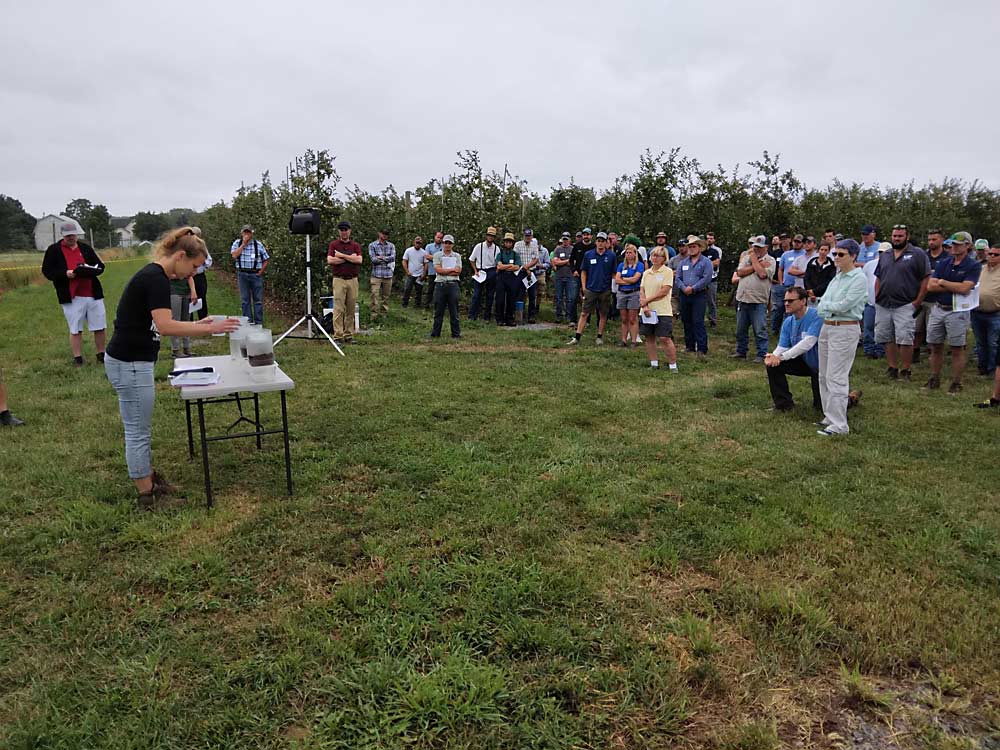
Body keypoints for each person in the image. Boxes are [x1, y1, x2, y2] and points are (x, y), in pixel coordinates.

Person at [105, 227, 239, 509]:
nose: (192, 274)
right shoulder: (155, 279)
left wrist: (199, 324)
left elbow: (160, 322)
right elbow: (165, 327)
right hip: (129, 364)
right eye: (193, 266)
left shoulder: (155, 276)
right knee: (137, 431)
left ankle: (150, 478)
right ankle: (146, 496)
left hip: (132, 361)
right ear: (180, 255)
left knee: (140, 427)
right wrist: (208, 329)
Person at [815, 239, 867, 436]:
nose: (836, 257)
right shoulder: (837, 277)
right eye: (835, 254)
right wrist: (828, 307)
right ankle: (830, 415)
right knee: (824, 375)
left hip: (845, 328)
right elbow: (822, 304)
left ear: (853, 256)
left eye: (840, 254)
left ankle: (839, 425)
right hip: (828, 327)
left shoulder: (858, 278)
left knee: (836, 376)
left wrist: (828, 306)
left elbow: (845, 305)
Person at [41, 219, 107, 366]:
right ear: (63, 236)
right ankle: (78, 358)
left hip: (92, 292)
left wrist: (91, 270)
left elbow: (100, 266)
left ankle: (101, 354)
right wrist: (65, 274)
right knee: (75, 328)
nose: (71, 238)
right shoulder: (54, 250)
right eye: (68, 236)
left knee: (100, 325)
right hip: (71, 295)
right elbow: (47, 271)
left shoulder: (85, 248)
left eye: (73, 235)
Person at [924, 232, 982, 394]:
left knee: (957, 348)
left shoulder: (973, 265)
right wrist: (952, 285)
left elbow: (965, 289)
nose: (954, 247)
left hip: (957, 311)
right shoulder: (944, 263)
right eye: (952, 244)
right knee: (935, 346)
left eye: (958, 244)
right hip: (939, 307)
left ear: (967, 246)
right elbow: (930, 286)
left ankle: (956, 382)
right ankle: (934, 378)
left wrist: (942, 282)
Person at [873, 224, 931, 381]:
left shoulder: (917, 254)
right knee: (887, 337)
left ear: (907, 236)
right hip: (884, 303)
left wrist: (918, 301)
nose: (896, 238)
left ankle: (905, 370)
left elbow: (926, 277)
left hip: (905, 303)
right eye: (894, 236)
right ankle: (892, 367)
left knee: (905, 338)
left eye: (900, 236)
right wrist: (876, 294)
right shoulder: (885, 254)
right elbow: (878, 276)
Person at [765, 287, 823, 412]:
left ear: (803, 301)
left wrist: (781, 357)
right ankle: (783, 405)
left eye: (791, 301)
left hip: (821, 365)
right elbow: (782, 346)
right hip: (804, 362)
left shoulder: (817, 315)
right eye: (785, 300)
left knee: (821, 408)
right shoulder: (788, 321)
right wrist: (773, 357)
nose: (786, 303)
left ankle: (848, 399)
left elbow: (808, 343)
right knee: (773, 366)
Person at [731, 235, 775, 362]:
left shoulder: (770, 260)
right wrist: (757, 265)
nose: (756, 249)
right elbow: (740, 272)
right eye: (755, 247)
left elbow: (762, 274)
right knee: (741, 329)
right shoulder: (746, 257)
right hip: (743, 298)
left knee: (760, 329)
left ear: (766, 247)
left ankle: (762, 353)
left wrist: (755, 261)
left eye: (760, 247)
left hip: (758, 301)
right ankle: (741, 351)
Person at [567, 232, 616, 345]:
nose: (600, 243)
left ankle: (599, 336)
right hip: (591, 288)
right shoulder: (589, 254)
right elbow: (583, 271)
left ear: (606, 243)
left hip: (605, 289)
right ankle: (577, 337)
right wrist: (584, 287)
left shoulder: (611, 256)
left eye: (602, 241)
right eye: (598, 241)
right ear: (596, 242)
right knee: (584, 313)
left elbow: (614, 273)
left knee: (603, 314)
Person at [639, 245, 677, 371]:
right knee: (649, 337)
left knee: (664, 338)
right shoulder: (646, 273)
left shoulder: (667, 272)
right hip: (646, 310)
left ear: (664, 258)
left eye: (657, 255)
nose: (654, 258)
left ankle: (672, 365)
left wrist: (646, 301)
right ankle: (653, 363)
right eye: (653, 255)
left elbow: (664, 291)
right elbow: (642, 290)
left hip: (662, 310)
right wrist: (644, 306)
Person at [914, 228, 950, 361]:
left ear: (941, 240)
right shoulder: (923, 255)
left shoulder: (948, 257)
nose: (931, 242)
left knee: (933, 330)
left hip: (937, 299)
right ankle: (915, 352)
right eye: (929, 240)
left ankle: (932, 354)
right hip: (921, 296)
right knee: (916, 328)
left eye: (934, 239)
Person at [675, 235, 714, 356]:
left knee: (698, 321)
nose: (691, 249)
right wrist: (683, 288)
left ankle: (702, 348)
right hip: (684, 294)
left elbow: (706, 278)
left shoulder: (706, 262)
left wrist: (693, 288)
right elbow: (678, 278)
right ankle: (689, 346)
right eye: (690, 246)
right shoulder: (683, 262)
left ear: (700, 247)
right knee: (686, 320)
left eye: (694, 246)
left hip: (699, 294)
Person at [327, 220, 363, 344]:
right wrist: (350, 258)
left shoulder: (355, 245)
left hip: (353, 280)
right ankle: (338, 336)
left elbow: (359, 260)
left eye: (346, 229)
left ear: (350, 231)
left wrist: (341, 256)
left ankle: (348, 335)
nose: (344, 232)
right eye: (342, 230)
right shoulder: (334, 244)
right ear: (339, 231)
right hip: (339, 279)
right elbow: (331, 260)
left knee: (351, 308)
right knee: (338, 308)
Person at [970, 241, 1000, 376]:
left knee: (993, 342)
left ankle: (992, 369)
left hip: (995, 313)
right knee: (980, 342)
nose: (992, 256)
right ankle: (982, 367)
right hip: (977, 312)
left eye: (996, 254)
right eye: (990, 253)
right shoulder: (980, 269)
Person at [229, 224, 268, 324]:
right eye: (245, 232)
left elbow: (266, 259)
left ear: (252, 234)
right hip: (242, 274)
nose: (246, 234)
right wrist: (243, 244)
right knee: (245, 300)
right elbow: (234, 255)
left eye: (248, 232)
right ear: (242, 233)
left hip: (255, 274)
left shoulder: (258, 244)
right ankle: (248, 322)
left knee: (258, 300)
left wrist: (261, 271)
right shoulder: (237, 243)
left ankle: (259, 322)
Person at [429, 234, 462, 339]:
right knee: (438, 311)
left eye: (449, 243)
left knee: (454, 311)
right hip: (440, 285)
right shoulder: (437, 255)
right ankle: (435, 333)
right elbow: (438, 270)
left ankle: (456, 334)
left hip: (453, 285)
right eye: (445, 242)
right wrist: (451, 270)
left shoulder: (457, 256)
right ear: (442, 243)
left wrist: (445, 271)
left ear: (452, 244)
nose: (447, 245)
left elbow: (458, 271)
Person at [773, 234, 805, 333]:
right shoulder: (786, 254)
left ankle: (789, 329)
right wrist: (781, 281)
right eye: (795, 241)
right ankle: (775, 329)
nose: (796, 243)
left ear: (802, 243)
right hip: (785, 285)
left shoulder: (804, 254)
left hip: (798, 286)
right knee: (779, 308)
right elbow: (780, 269)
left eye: (799, 242)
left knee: (792, 310)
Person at [615, 244, 645, 346]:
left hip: (633, 293)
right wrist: (628, 281)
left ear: (635, 254)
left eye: (630, 252)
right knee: (624, 319)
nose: (628, 255)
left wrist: (625, 280)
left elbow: (635, 279)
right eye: (626, 253)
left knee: (632, 318)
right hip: (622, 293)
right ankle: (623, 340)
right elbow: (617, 279)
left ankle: (633, 340)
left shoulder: (640, 265)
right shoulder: (621, 265)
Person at [468, 226, 500, 321]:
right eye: (489, 235)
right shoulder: (479, 246)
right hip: (480, 271)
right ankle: (472, 316)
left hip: (491, 271)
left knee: (490, 296)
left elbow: (498, 262)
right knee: (476, 295)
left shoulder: (496, 248)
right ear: (486, 236)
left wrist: (496, 272)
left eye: (492, 236)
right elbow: (471, 259)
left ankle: (487, 317)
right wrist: (475, 270)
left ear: (494, 237)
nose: (490, 237)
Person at [168, 263, 197, 358]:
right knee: (175, 321)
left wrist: (193, 291)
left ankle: (186, 347)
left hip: (186, 292)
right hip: (174, 292)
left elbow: (190, 277)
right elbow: (168, 275)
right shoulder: (170, 262)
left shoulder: (186, 262)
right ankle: (175, 350)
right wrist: (181, 275)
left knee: (186, 321)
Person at [367, 229, 395, 324]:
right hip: (376, 274)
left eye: (386, 234)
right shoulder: (372, 245)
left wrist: (381, 257)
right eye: (383, 233)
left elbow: (393, 258)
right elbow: (373, 259)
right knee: (374, 294)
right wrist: (385, 258)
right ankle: (373, 316)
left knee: (386, 296)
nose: (385, 236)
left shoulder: (391, 246)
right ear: (379, 233)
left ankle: (384, 315)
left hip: (388, 274)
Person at [514, 229, 540, 323]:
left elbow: (536, 259)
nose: (527, 237)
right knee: (519, 294)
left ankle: (531, 316)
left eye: (529, 236)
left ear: (532, 236)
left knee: (532, 295)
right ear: (523, 236)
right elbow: (516, 258)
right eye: (526, 236)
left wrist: (528, 268)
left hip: (531, 272)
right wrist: (525, 268)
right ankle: (519, 315)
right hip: (520, 272)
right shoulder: (517, 244)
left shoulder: (534, 245)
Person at [495, 232, 520, 327]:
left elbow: (517, 267)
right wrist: (510, 265)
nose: (508, 243)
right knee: (500, 299)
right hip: (501, 278)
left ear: (512, 243)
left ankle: (510, 319)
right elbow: (499, 266)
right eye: (507, 242)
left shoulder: (515, 254)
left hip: (512, 278)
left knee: (511, 299)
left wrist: (505, 266)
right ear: (504, 243)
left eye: (510, 242)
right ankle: (499, 319)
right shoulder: (500, 253)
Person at [551, 232, 576, 323]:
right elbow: (555, 262)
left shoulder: (573, 249)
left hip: (570, 277)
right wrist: (567, 261)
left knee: (570, 298)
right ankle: (559, 316)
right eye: (564, 239)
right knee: (558, 297)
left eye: (567, 239)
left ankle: (568, 316)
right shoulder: (557, 249)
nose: (565, 241)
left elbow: (574, 262)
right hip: (559, 276)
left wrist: (562, 262)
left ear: (569, 240)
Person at [189, 227, 211, 320]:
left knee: (201, 298)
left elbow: (209, 261)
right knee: (189, 298)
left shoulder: (203, 247)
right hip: (189, 277)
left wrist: (201, 262)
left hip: (200, 277)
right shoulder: (187, 247)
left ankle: (203, 319)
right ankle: (189, 320)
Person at [401, 236, 426, 307]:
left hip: (419, 274)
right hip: (410, 274)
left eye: (419, 243)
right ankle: (404, 304)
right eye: (417, 242)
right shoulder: (408, 250)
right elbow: (404, 261)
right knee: (407, 289)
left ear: (421, 244)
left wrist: (424, 274)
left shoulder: (424, 252)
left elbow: (426, 264)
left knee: (419, 291)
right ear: (414, 242)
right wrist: (407, 271)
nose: (418, 244)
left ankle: (417, 305)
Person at [704, 231, 722, 327]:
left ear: (714, 239)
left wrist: (705, 265)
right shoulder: (702, 251)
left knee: (711, 301)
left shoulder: (716, 251)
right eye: (707, 238)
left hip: (712, 278)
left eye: (711, 238)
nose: (709, 240)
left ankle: (713, 321)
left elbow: (716, 263)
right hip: (702, 279)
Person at [423, 231, 444, 310]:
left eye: (441, 238)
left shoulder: (444, 246)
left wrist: (433, 258)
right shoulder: (429, 246)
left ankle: (437, 306)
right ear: (435, 237)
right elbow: (427, 256)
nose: (439, 239)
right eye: (438, 237)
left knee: (439, 291)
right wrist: (438, 258)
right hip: (431, 271)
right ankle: (427, 305)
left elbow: (444, 258)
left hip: (441, 272)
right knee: (430, 289)